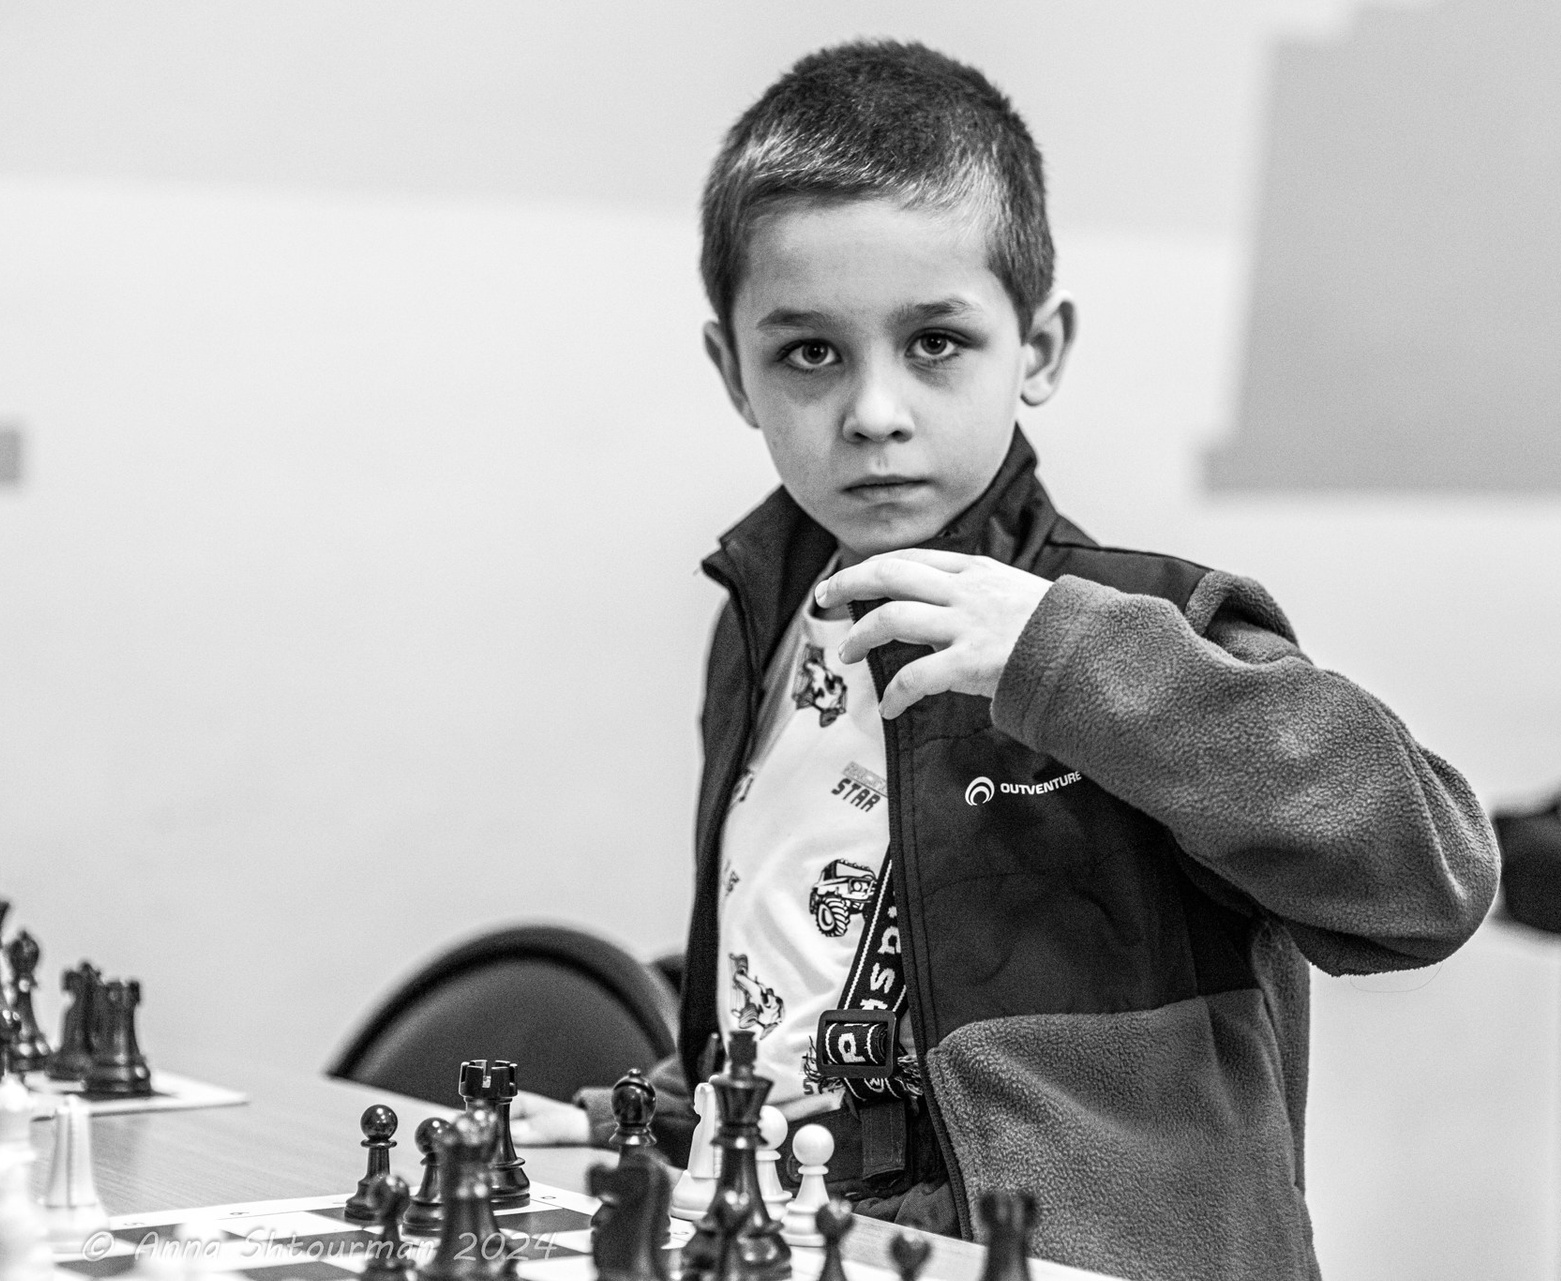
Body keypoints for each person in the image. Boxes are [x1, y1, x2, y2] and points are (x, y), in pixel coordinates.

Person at [512, 40, 1499, 1281]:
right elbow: (802, 978)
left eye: (935, 342)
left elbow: (1430, 883)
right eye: (809, 353)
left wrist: (1062, 659)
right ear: (733, 372)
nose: (874, 412)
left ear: (1037, 348)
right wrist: (654, 1118)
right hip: (804, 1241)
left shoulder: (1144, 626)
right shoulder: (762, 623)